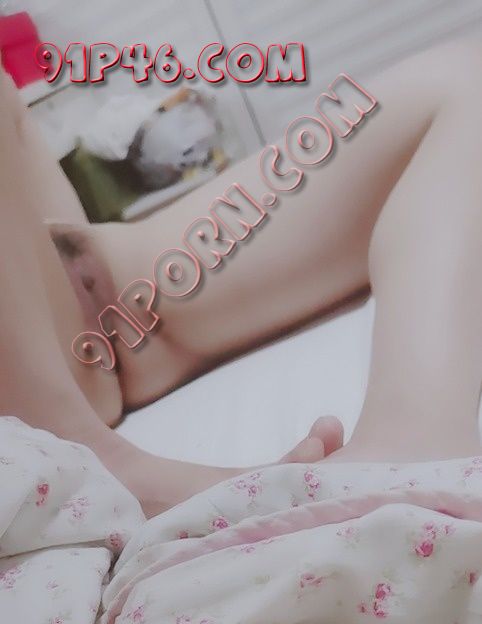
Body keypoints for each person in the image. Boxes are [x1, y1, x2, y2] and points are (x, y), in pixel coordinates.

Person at [1, 35, 482, 518]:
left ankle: (408, 437)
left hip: (134, 284)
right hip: (69, 393)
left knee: (467, 79)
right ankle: (85, 453)